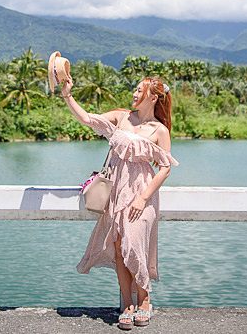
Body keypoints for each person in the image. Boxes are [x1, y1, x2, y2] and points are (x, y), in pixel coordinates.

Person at [61, 74, 179, 330]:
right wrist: (68, 94)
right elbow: (87, 119)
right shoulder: (121, 116)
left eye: (140, 91)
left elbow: (165, 168)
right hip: (116, 191)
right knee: (118, 247)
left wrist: (143, 197)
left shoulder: (160, 130)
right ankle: (127, 303)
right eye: (134, 89)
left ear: (154, 97)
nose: (134, 94)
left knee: (135, 245)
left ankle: (145, 299)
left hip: (142, 194)